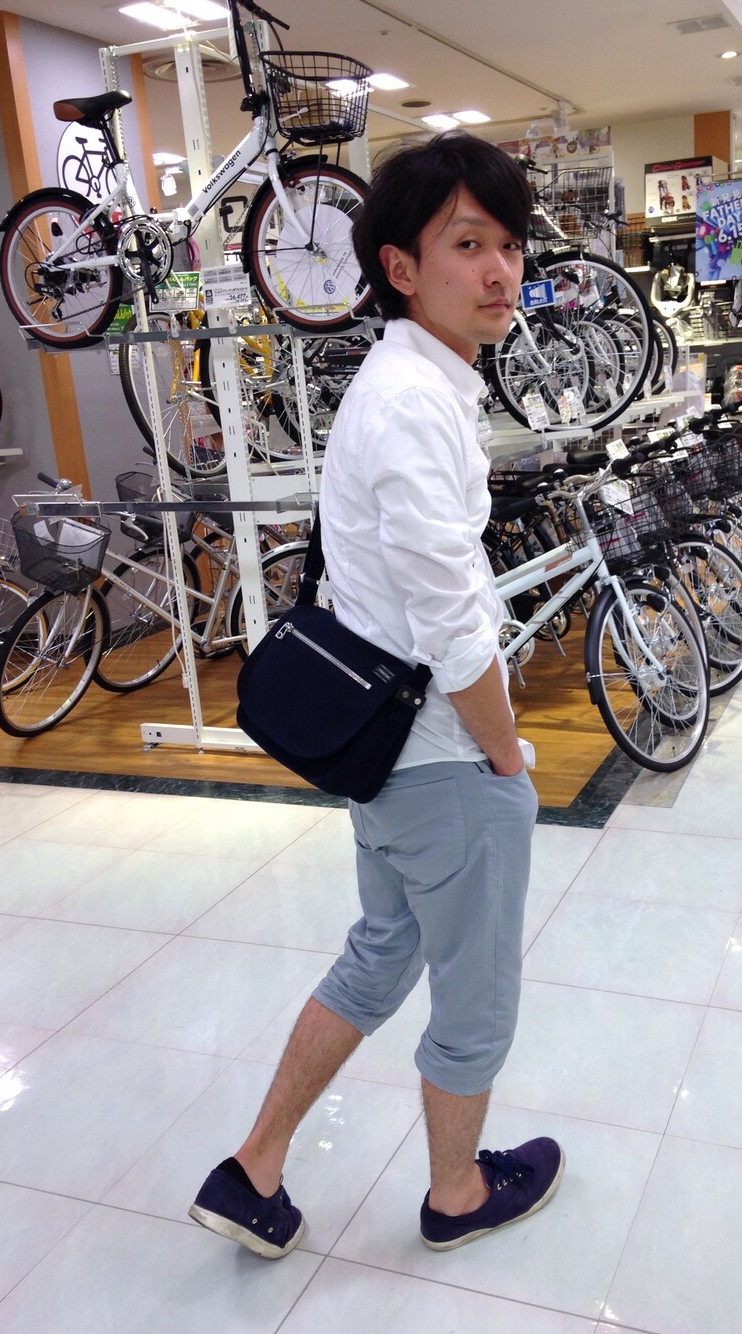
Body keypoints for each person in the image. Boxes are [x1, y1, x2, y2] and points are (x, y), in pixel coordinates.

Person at [189, 132, 563, 1258]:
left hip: (386, 754)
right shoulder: (411, 403)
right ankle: (457, 1192)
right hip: (440, 757)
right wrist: (506, 760)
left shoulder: (412, 385)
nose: (500, 271)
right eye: (468, 245)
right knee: (475, 997)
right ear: (400, 267)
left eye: (509, 246)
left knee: (381, 952)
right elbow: (452, 623)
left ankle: (253, 1169)